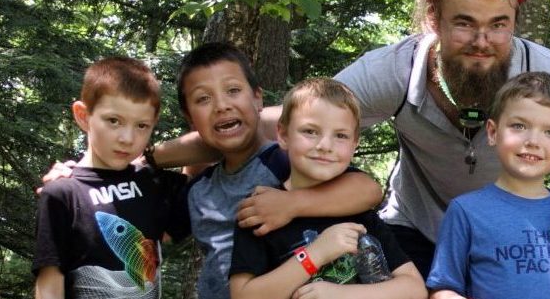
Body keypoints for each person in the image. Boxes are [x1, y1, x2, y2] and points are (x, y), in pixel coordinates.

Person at [145, 0, 550, 279]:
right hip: (416, 229)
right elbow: (278, 124)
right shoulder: (394, 70)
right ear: (433, 19)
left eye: (498, 25)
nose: (482, 41)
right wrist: (146, 155)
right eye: (464, 23)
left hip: (508, 234)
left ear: (515, 25)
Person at [173, 43, 384, 299]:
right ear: (190, 117)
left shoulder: (286, 160)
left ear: (258, 98)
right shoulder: (199, 189)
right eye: (203, 98)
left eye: (233, 90)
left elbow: (368, 190)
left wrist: (291, 204)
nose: (221, 105)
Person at [229, 78, 425, 299]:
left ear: (354, 144)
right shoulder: (261, 211)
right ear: (283, 135)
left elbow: (414, 289)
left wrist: (342, 295)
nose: (325, 146)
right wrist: (314, 256)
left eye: (340, 136)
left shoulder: (358, 213)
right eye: (310, 131)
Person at [426, 72, 550, 299]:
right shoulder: (466, 211)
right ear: (493, 132)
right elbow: (442, 289)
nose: (533, 141)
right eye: (519, 126)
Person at [33, 57, 190, 298]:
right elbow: (49, 284)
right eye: (113, 121)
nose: (127, 138)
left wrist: (153, 157)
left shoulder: (154, 183)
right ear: (83, 116)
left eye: (142, 125)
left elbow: (217, 146)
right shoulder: (62, 193)